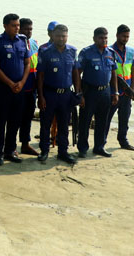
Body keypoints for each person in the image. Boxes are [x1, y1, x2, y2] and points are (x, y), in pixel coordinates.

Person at [0, 13, 30, 166]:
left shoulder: (22, 41)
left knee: (15, 121)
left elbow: (27, 63)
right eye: (14, 25)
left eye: (18, 25)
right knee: (1, 121)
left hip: (19, 89)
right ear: (5, 26)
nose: (17, 28)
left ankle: (10, 150)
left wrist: (22, 82)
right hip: (3, 89)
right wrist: (10, 83)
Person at [36, 24, 80, 165]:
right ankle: (44, 151)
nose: (61, 38)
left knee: (64, 125)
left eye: (64, 36)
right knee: (45, 124)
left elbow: (75, 73)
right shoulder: (45, 52)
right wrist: (40, 96)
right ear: (52, 36)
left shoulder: (72, 51)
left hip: (66, 95)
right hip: (49, 94)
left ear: (67, 36)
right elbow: (40, 76)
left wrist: (78, 93)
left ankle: (63, 152)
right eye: (58, 36)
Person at [76, 28, 119, 158]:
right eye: (101, 38)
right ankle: (82, 148)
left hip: (105, 91)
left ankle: (99, 147)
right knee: (85, 121)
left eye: (106, 38)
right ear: (94, 38)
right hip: (90, 91)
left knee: (102, 121)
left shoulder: (111, 53)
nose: (104, 40)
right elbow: (78, 72)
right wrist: (79, 93)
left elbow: (113, 73)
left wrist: (115, 92)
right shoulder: (86, 52)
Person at [106, 24, 134, 151]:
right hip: (113, 91)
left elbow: (133, 70)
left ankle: (123, 141)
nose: (125, 39)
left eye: (127, 36)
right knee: (107, 117)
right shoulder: (109, 51)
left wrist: (132, 89)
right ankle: (101, 142)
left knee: (124, 118)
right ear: (117, 35)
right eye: (123, 36)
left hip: (127, 91)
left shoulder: (131, 51)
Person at [18, 18, 40, 156]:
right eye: (25, 29)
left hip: (32, 88)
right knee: (14, 118)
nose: (28, 31)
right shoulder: (15, 43)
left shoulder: (34, 44)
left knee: (28, 118)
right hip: (18, 87)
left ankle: (25, 144)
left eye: (30, 29)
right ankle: (9, 146)